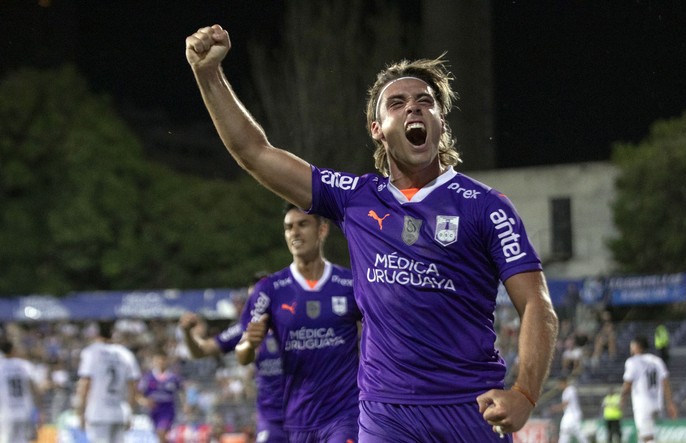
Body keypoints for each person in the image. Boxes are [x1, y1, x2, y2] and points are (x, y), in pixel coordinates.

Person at [185, 24, 558, 440]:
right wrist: (209, 76)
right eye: (397, 103)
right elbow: (255, 154)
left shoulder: (486, 206)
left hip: (470, 410)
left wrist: (524, 393)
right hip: (385, 414)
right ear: (377, 128)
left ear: (440, 121)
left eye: (425, 102)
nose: (414, 108)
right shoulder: (355, 198)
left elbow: (537, 306)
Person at [236, 204, 361, 442]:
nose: (294, 232)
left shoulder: (349, 284)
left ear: (322, 230)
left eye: (302, 224)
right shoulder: (269, 289)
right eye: (288, 227)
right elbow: (242, 356)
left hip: (344, 413)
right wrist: (249, 345)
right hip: (298, 417)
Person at [179, 275, 286, 443]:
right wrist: (187, 332)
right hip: (271, 418)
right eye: (253, 298)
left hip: (307, 414)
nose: (257, 304)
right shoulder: (245, 329)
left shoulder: (298, 324)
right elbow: (201, 351)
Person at [75, 320, 141, 443]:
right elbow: (133, 387)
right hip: (120, 412)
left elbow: (85, 384)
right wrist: (131, 413)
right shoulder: (126, 354)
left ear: (96, 333)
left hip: (98, 413)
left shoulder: (91, 352)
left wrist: (80, 413)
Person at [620, 335, 678, 443]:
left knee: (648, 437)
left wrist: (622, 399)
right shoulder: (657, 360)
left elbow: (627, 384)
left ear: (637, 346)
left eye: (632, 345)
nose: (630, 347)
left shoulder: (632, 361)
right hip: (656, 402)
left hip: (642, 404)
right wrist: (670, 403)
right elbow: (665, 382)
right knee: (643, 436)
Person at [137, 351, 185, 443]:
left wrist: (185, 405)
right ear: (154, 361)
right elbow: (139, 395)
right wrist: (144, 401)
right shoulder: (148, 377)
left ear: (167, 361)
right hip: (154, 411)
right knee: (161, 436)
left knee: (161, 432)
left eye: (163, 360)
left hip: (167, 410)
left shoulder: (173, 378)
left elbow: (182, 392)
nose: (160, 362)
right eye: (158, 360)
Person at [0, 340, 40, 443]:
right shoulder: (25, 365)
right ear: (13, 350)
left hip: (6, 412)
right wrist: (39, 409)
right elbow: (34, 388)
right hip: (25, 410)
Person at [549, 376, 587, 443]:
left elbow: (565, 403)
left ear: (564, 382)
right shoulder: (566, 391)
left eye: (560, 383)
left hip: (572, 415)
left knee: (568, 431)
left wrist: (555, 408)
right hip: (570, 415)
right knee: (574, 432)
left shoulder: (570, 390)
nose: (559, 386)